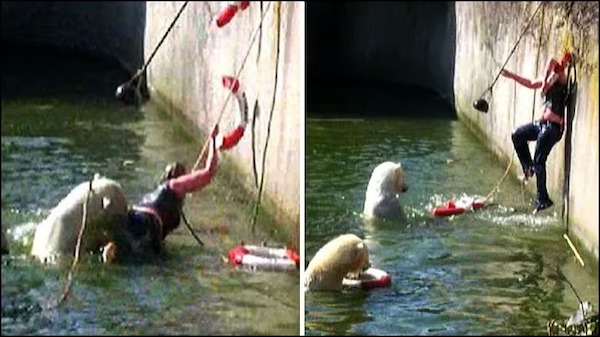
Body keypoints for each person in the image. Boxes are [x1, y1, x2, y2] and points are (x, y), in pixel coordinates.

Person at [500, 51, 573, 213]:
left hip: (553, 128)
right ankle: (528, 169)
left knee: (539, 159)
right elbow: (529, 82)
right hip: (540, 125)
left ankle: (543, 199)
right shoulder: (545, 82)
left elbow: (552, 60)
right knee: (517, 134)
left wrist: (548, 78)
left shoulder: (560, 78)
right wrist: (511, 75)